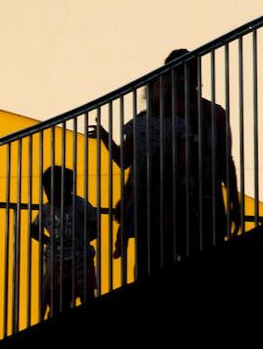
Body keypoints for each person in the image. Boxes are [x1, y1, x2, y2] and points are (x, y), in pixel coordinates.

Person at [89, 49, 243, 278]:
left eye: (183, 73)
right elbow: (130, 163)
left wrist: (233, 201)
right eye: (175, 73)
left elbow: (223, 160)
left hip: (196, 209)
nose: (177, 79)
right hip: (161, 213)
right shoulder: (149, 119)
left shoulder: (211, 113)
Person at [29, 165, 101, 318]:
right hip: (56, 260)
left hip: (81, 257)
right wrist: (48, 241)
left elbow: (94, 224)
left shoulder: (80, 205)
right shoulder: (46, 210)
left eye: (53, 190)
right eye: (47, 191)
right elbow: (33, 230)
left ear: (68, 188)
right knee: (57, 298)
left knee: (86, 293)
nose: (50, 195)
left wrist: (84, 238)